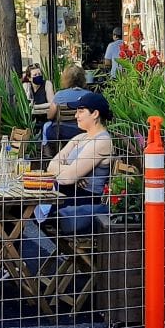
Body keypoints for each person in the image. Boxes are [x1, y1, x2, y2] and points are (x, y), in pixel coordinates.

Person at [44, 93, 116, 233]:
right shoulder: (81, 137)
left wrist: (71, 174)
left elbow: (66, 178)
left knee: (19, 209)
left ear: (95, 114)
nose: (76, 115)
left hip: (80, 202)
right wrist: (72, 170)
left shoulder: (102, 142)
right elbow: (50, 165)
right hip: (65, 194)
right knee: (17, 209)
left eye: (81, 111)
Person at [43, 65, 91, 148]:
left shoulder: (59, 95)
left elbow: (50, 116)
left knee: (46, 125)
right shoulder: (89, 95)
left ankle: (48, 155)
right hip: (82, 131)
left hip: (61, 131)